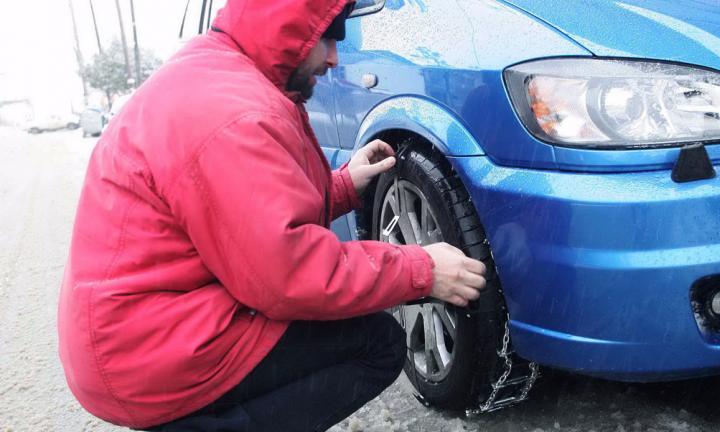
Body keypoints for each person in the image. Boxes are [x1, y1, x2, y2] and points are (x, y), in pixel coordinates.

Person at [57, 1, 487, 430]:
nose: (334, 58)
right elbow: (291, 275)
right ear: (288, 26)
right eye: (326, 36)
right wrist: (423, 269)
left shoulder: (220, 75)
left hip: (138, 335)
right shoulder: (235, 115)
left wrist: (341, 186)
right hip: (150, 353)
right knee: (376, 344)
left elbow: (244, 217)